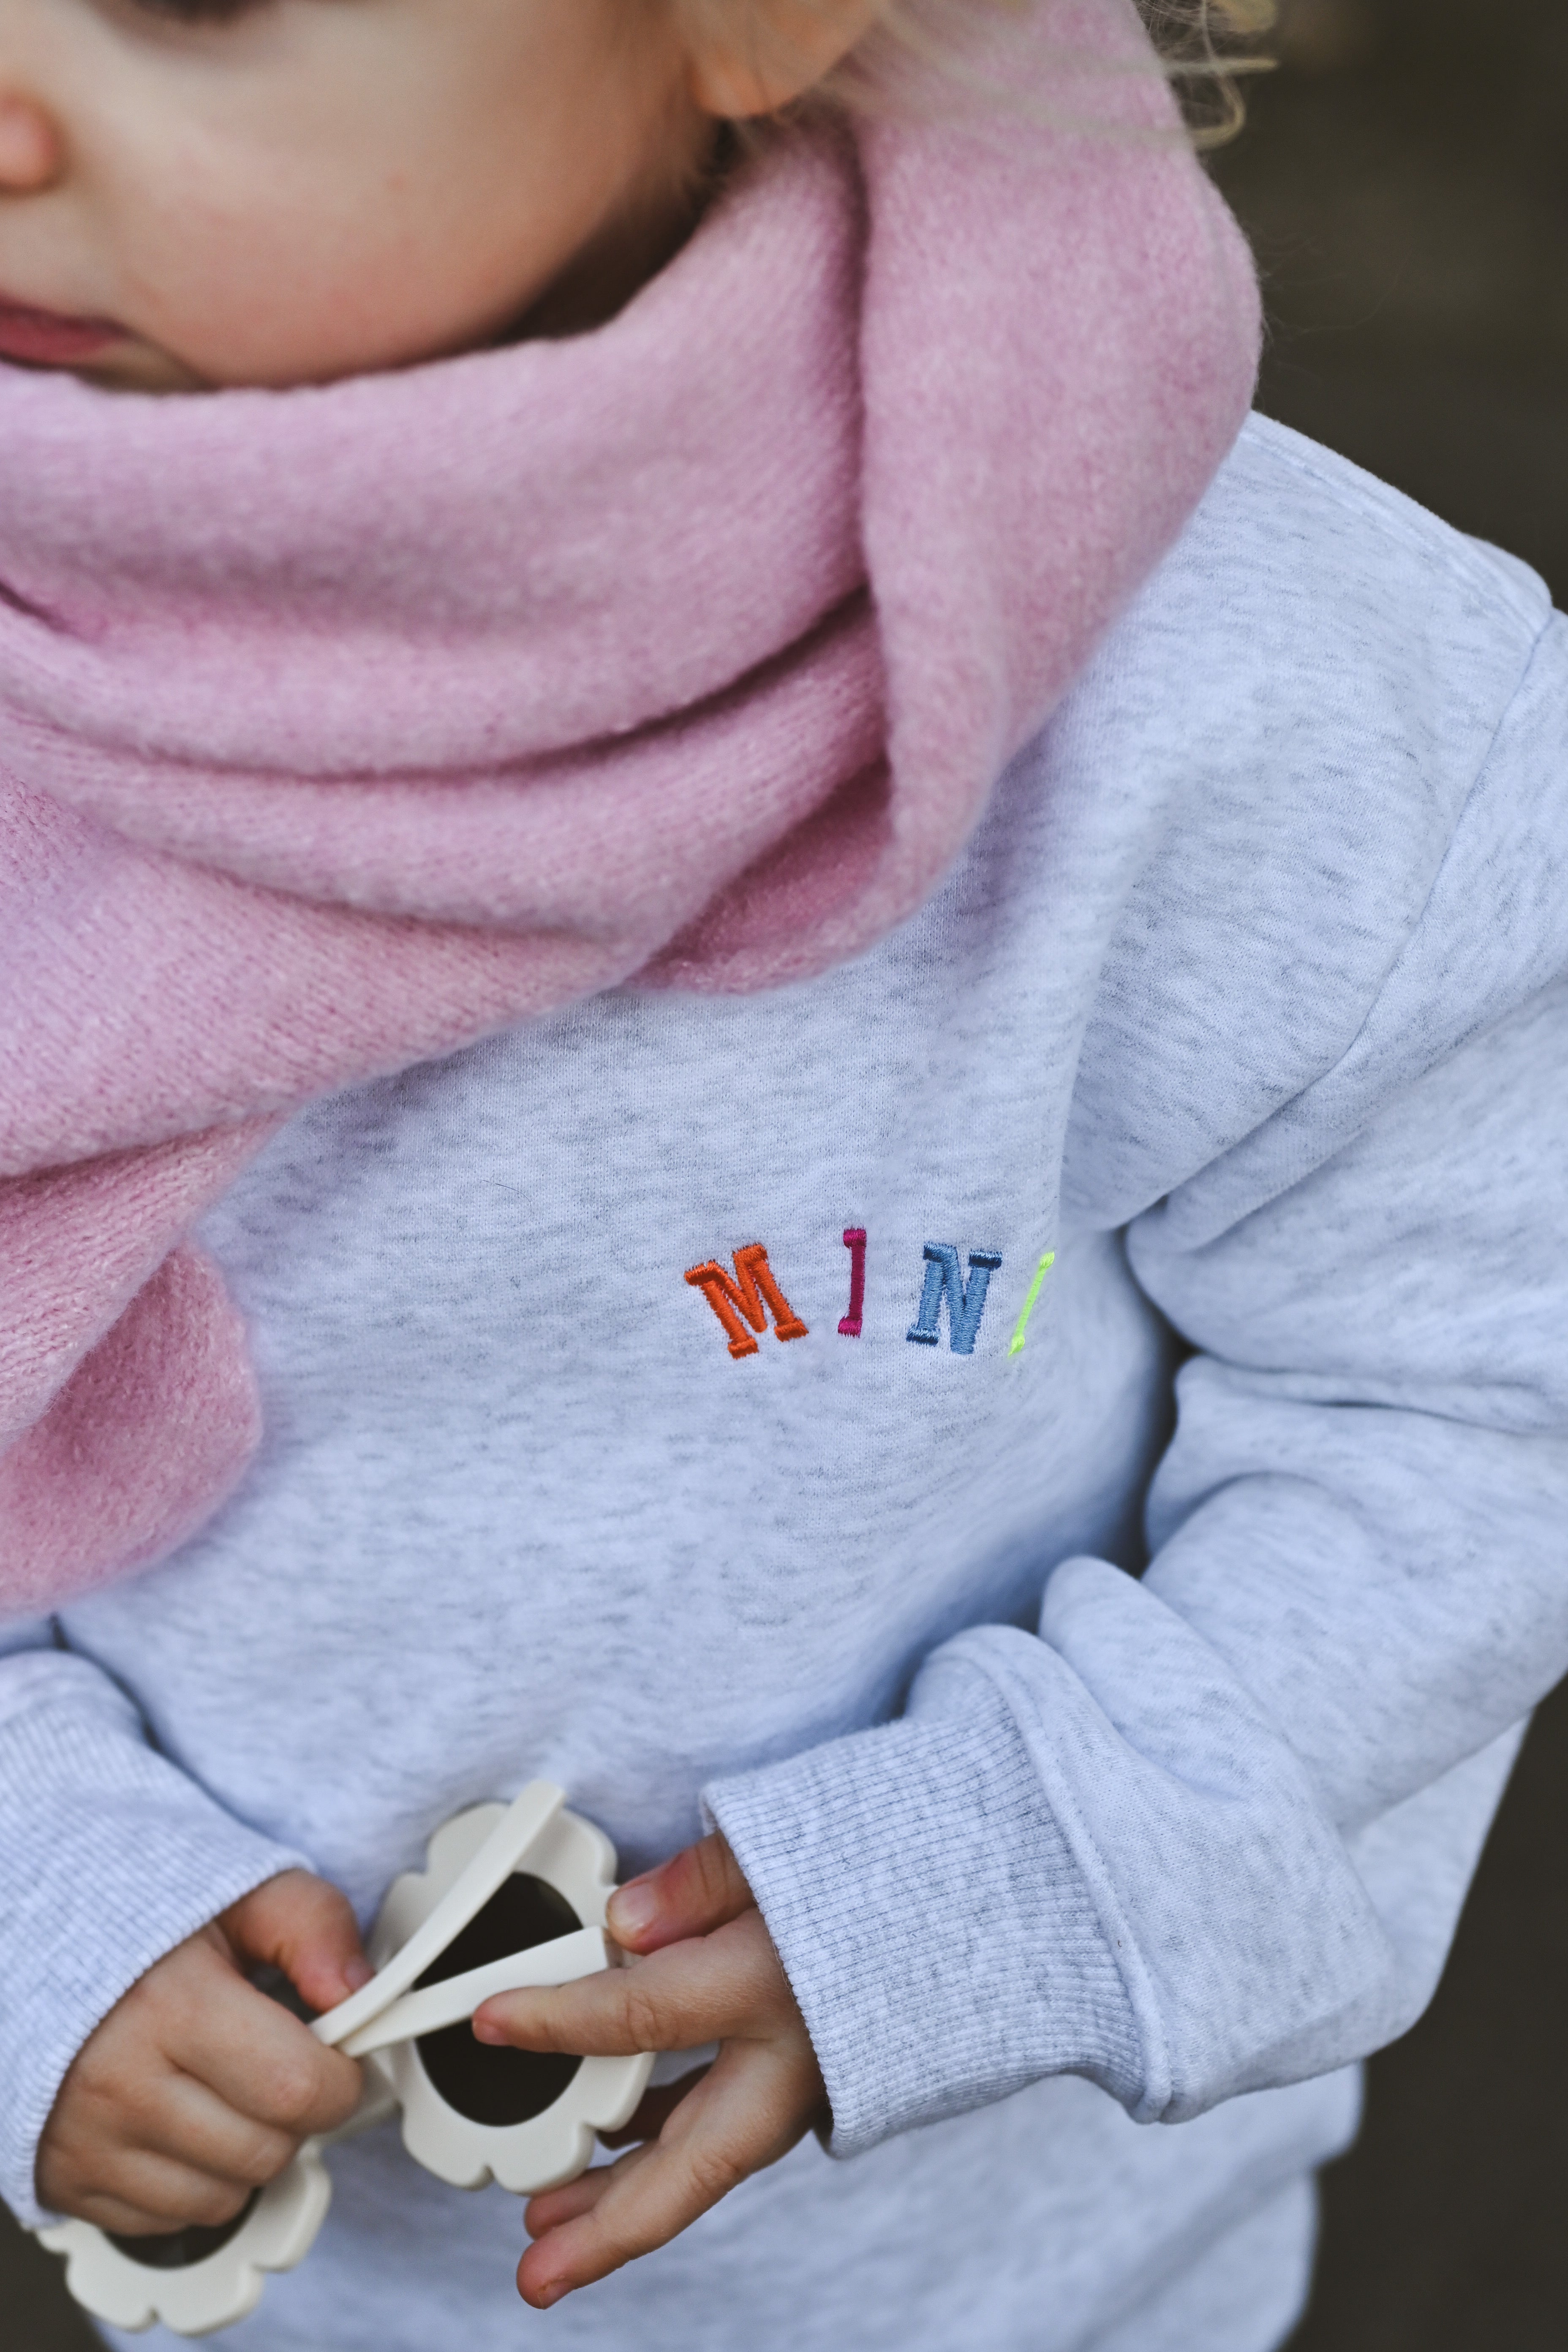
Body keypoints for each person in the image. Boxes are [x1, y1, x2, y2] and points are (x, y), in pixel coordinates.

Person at [0, 0, 1563, 2347]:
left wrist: (997, 1880)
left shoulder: (1256, 704)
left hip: (1023, 2273)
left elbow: (1477, 1402)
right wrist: (40, 1888)